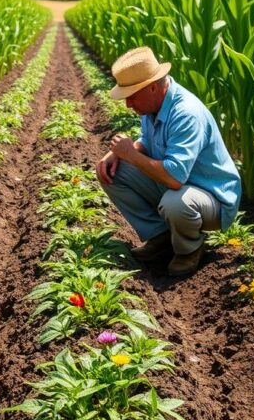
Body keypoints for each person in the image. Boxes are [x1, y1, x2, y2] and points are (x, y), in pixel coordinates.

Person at [95, 47, 241, 276]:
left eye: (132, 96)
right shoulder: (152, 106)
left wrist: (131, 155)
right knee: (113, 172)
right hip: (182, 185)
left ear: (152, 87)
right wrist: (118, 154)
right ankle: (161, 237)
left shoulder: (186, 114)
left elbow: (174, 178)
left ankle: (189, 250)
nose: (128, 104)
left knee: (176, 202)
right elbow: (147, 141)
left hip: (213, 198)